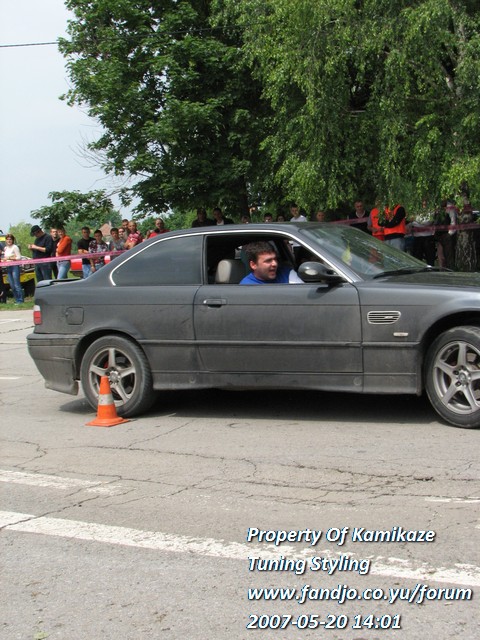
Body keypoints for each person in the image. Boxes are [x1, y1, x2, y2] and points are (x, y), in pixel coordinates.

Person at [3, 233, 24, 303]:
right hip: (8, 267)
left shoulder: (15, 247)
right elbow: (5, 257)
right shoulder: (5, 248)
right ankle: (16, 299)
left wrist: (9, 258)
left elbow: (19, 257)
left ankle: (20, 300)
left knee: (16, 284)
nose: (9, 240)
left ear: (12, 240)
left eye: (10, 239)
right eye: (7, 239)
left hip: (15, 267)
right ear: (6, 240)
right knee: (12, 285)